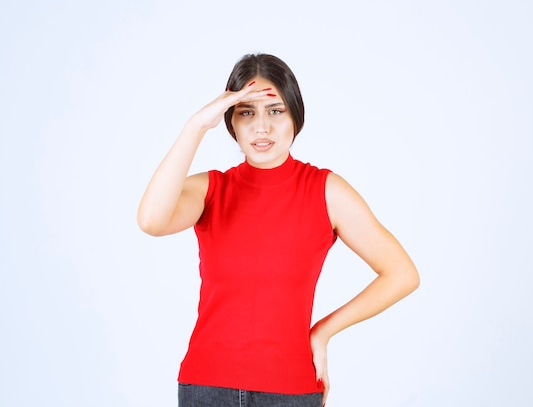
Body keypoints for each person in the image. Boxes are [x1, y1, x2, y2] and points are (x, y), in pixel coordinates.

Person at [137, 53, 420, 407]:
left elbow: (402, 274)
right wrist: (195, 126)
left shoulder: (326, 191)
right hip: (206, 387)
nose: (262, 128)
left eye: (275, 111)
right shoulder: (210, 189)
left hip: (292, 390)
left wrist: (323, 331)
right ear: (231, 124)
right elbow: (151, 220)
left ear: (295, 118)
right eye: (246, 113)